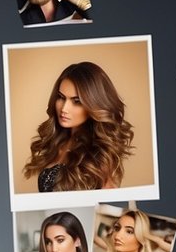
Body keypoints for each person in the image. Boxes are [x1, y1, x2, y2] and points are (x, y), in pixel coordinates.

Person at [22, 62, 133, 192]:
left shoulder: (100, 154)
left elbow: (106, 203)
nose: (64, 108)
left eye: (76, 101)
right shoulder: (57, 143)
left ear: (94, 105)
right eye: (61, 97)